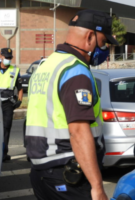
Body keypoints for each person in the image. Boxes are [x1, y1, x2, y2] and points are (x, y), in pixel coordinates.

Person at [25, 9, 119, 200]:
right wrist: (97, 186)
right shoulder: (75, 71)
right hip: (67, 174)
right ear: (90, 37)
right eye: (103, 43)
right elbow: (78, 130)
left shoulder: (47, 66)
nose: (105, 49)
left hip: (41, 173)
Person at [0, 48, 23, 162]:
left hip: (8, 104)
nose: (8, 60)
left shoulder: (15, 70)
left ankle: (3, 153)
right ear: (1, 56)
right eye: (6, 57)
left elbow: (20, 89)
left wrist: (19, 101)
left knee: (6, 129)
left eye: (10, 58)